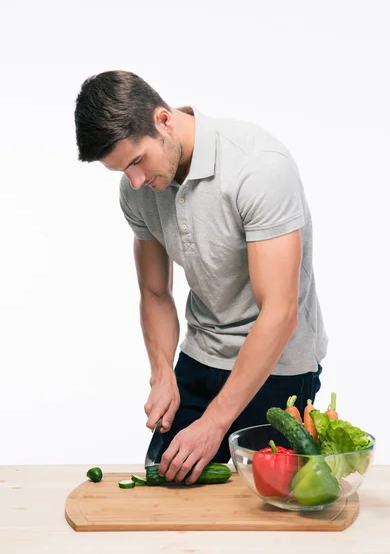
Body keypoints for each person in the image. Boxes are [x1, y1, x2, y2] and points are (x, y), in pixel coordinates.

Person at [74, 70, 327, 485]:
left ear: (163, 120)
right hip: (201, 354)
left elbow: (280, 313)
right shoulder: (137, 189)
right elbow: (154, 292)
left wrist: (213, 425)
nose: (136, 181)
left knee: (262, 504)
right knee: (165, 480)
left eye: (137, 161)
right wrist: (162, 373)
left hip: (277, 365)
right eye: (122, 171)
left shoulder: (258, 167)